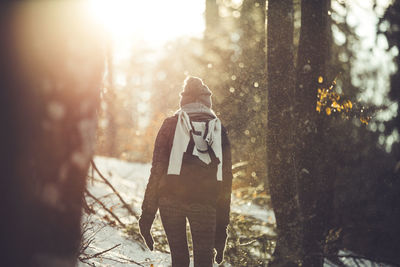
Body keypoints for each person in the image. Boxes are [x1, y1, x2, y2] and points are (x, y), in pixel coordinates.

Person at [139, 76, 233, 267]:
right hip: (205, 204)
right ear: (208, 102)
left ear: (184, 100)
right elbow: (225, 182)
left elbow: (157, 172)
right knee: (204, 262)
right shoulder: (218, 129)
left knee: (179, 260)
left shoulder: (170, 125)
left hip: (169, 200)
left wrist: (147, 217)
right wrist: (221, 231)